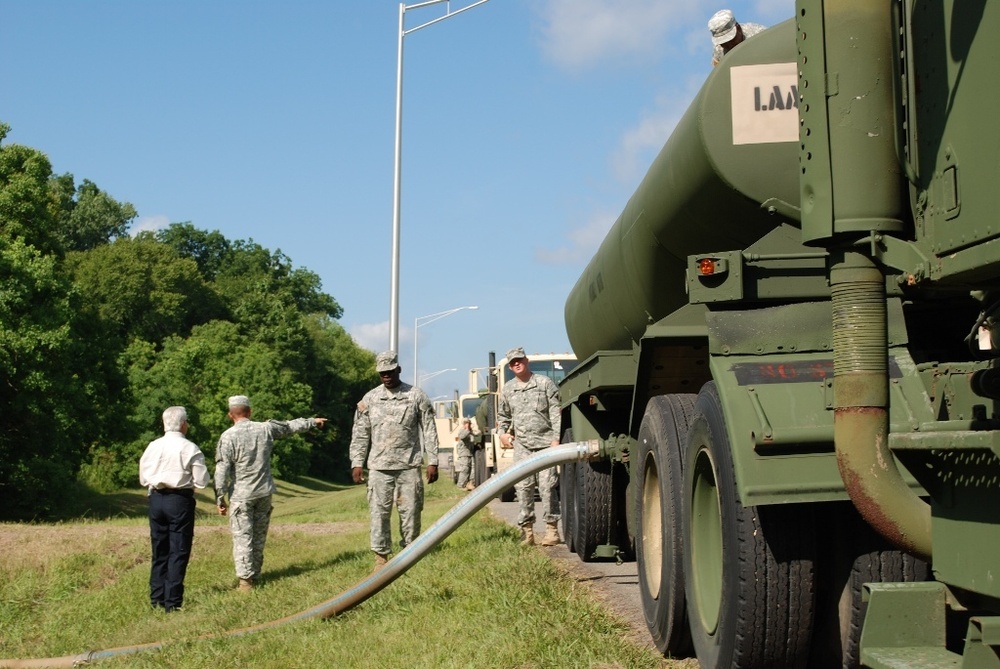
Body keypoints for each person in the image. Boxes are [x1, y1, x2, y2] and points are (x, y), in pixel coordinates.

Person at [214, 395, 326, 590]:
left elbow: (222, 469)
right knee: (259, 536)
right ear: (250, 412)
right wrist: (312, 422)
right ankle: (255, 574)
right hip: (264, 492)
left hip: (242, 495)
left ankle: (246, 582)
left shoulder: (228, 436)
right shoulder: (265, 428)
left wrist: (219, 497)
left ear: (230, 415)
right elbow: (289, 427)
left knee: (243, 537)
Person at [349, 350, 439, 570]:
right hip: (379, 467)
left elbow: (429, 429)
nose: (386, 376)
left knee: (411, 513)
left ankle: (410, 555)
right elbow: (360, 433)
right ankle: (381, 558)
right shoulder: (370, 399)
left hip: (408, 466)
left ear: (398, 369)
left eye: (390, 371)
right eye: (382, 373)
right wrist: (357, 462)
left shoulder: (416, 396)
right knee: (379, 513)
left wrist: (433, 460)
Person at [139, 406, 211, 612]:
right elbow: (202, 480)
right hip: (179, 499)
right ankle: (172, 602)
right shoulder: (190, 448)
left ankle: (156, 599)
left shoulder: (153, 446)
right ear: (183, 424)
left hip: (156, 498)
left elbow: (143, 477)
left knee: (159, 549)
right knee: (178, 550)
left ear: (164, 424)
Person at [496, 347, 562, 547]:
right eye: (513, 362)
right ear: (510, 367)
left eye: (519, 360)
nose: (516, 364)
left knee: (547, 487)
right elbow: (503, 416)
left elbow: (556, 412)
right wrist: (503, 434)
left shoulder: (544, 383)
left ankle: (552, 530)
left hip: (545, 445)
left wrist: (556, 439)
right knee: (523, 488)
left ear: (526, 361)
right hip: (522, 446)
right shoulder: (508, 389)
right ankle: (527, 533)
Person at [454, 418, 476, 492]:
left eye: (469, 423)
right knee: (465, 469)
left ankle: (470, 483)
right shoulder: (462, 431)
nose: (468, 425)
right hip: (464, 453)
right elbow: (462, 436)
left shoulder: (470, 431)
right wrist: (467, 430)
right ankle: (461, 485)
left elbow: (474, 438)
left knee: (473, 469)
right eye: (466, 423)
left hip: (470, 452)